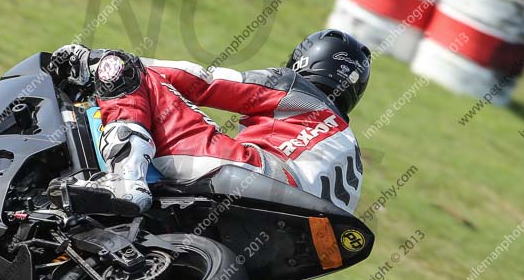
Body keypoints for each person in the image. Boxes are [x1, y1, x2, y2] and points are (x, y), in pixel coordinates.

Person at [48, 29, 371, 217]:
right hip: (289, 225)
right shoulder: (349, 148)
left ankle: (125, 179)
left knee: (119, 67)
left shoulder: (296, 90)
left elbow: (202, 81)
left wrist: (114, 63)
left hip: (256, 176)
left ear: (304, 61)